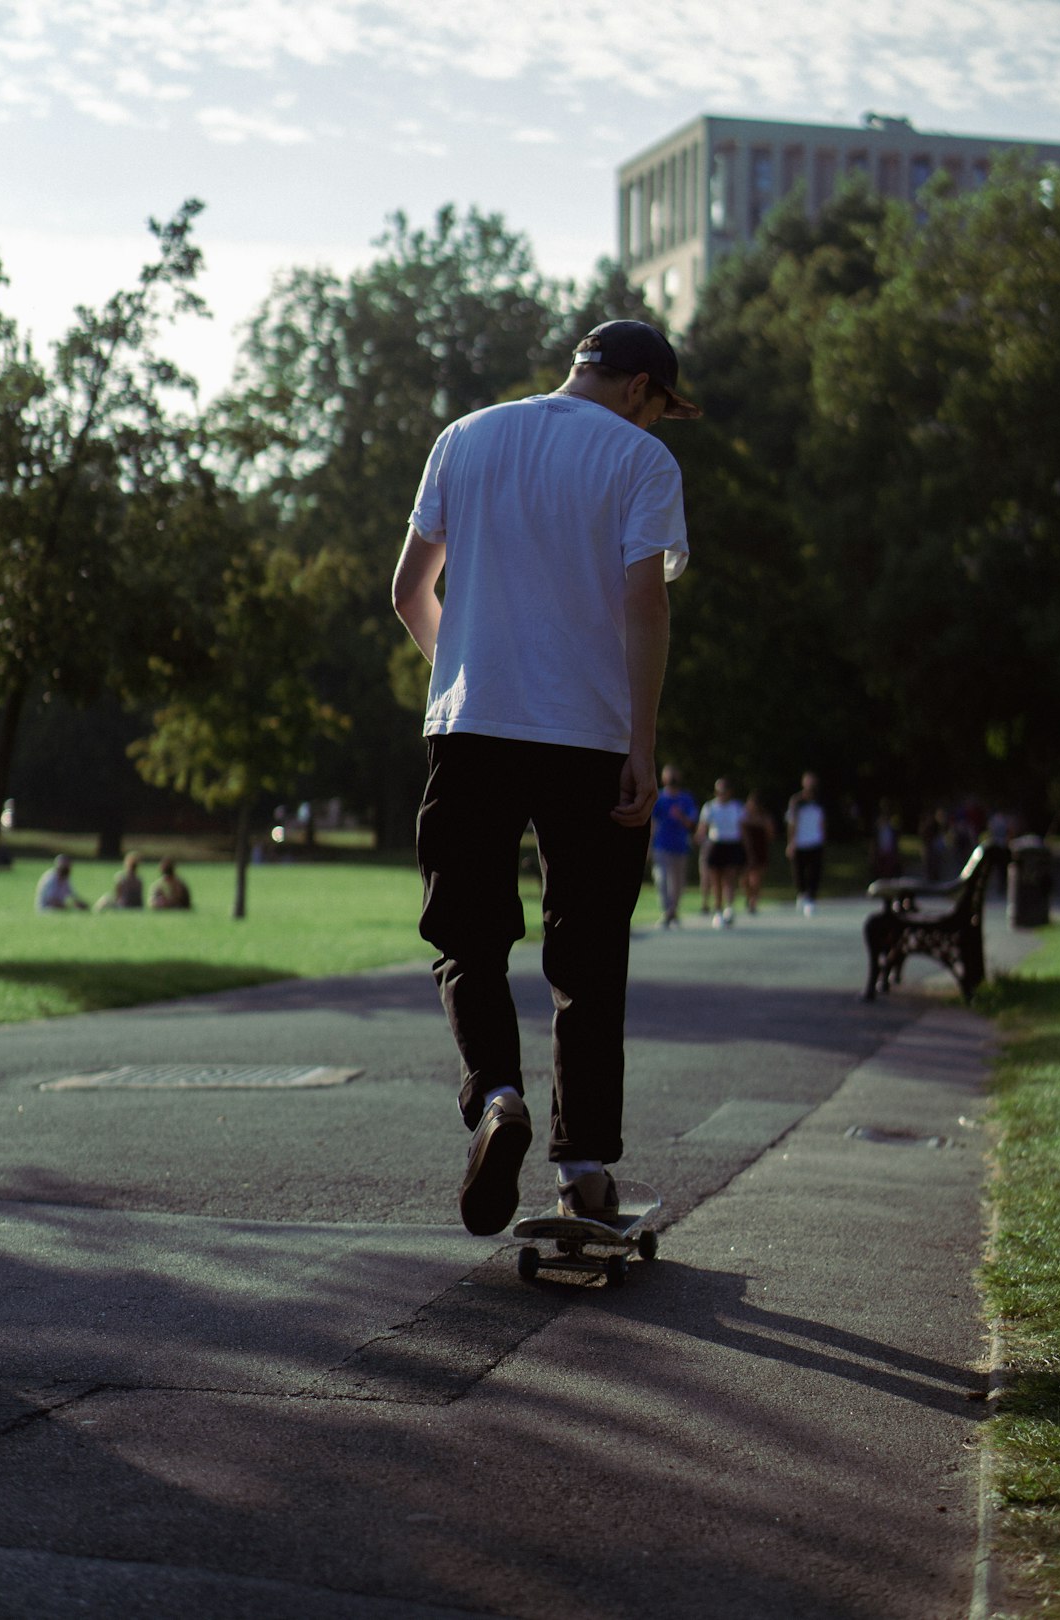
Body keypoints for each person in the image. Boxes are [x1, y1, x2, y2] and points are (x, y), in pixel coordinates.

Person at [392, 318, 698, 1235]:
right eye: (662, 410)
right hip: (589, 739)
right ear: (640, 387)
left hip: (474, 728)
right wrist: (642, 745)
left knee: (468, 936)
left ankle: (494, 1099)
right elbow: (644, 603)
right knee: (588, 957)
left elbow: (411, 590)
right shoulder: (640, 463)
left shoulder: (468, 436)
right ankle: (583, 1176)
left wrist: (469, 668)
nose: (659, 427)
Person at [650, 764, 698, 926]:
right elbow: (653, 822)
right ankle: (666, 911)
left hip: (680, 845)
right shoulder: (659, 798)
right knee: (661, 879)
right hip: (661, 845)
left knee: (678, 881)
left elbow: (692, 823)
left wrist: (681, 816)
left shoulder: (686, 798)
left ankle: (674, 910)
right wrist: (649, 845)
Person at [695, 779, 746, 927]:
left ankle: (729, 907)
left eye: (723, 791)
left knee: (729, 878)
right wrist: (699, 837)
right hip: (715, 845)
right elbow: (703, 828)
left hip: (731, 844)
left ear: (729, 792)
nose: (720, 794)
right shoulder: (710, 807)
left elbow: (742, 829)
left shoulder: (737, 807)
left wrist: (745, 849)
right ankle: (717, 910)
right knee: (715, 880)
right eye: (718, 791)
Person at [786, 771, 825, 916]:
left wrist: (822, 838)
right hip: (800, 842)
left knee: (814, 872)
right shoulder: (796, 801)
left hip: (815, 841)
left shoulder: (819, 801)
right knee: (799, 872)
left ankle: (811, 898)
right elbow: (792, 823)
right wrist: (791, 842)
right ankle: (802, 894)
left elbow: (822, 821)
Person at [740, 791, 776, 914]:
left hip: (759, 850)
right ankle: (749, 896)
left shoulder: (765, 818)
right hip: (746, 850)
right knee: (744, 880)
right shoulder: (744, 816)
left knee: (756, 878)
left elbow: (770, 834)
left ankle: (753, 902)